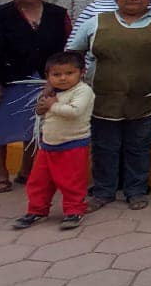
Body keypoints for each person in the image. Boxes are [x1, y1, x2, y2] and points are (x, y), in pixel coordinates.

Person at [68, 0, 151, 210]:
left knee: (138, 145)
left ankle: (136, 191)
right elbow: (74, 51)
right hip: (103, 95)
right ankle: (103, 191)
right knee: (104, 145)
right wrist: (74, 82)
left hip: (145, 95)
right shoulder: (97, 21)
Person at [0, 0, 71, 191]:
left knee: (35, 127)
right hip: (6, 78)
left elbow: (65, 49)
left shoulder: (58, 14)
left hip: (44, 80)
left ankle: (27, 170)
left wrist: (57, 81)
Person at [12, 51, 95, 231]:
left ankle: (74, 210)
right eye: (56, 75)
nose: (63, 78)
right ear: (47, 76)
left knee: (71, 181)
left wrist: (52, 106)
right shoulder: (51, 92)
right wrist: (42, 109)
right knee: (39, 181)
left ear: (81, 72)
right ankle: (37, 210)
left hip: (73, 145)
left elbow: (74, 111)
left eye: (69, 73)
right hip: (48, 144)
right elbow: (41, 113)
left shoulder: (83, 91)